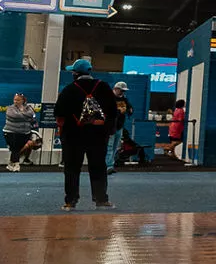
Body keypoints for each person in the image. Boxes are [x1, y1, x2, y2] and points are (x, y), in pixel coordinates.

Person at [54, 57, 120, 209]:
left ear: (76, 74)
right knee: (98, 166)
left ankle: (70, 201)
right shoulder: (103, 87)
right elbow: (113, 112)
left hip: (73, 135)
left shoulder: (69, 89)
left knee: (72, 168)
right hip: (98, 135)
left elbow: (59, 112)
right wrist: (108, 130)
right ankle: (101, 199)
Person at [112, 82, 147, 167]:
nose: (123, 93)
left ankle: (110, 164)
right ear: (116, 89)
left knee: (115, 146)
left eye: (124, 91)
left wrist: (129, 110)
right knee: (109, 146)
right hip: (111, 126)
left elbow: (129, 108)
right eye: (121, 91)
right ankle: (107, 165)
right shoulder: (110, 98)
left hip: (120, 125)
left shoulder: (124, 99)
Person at [1, 93, 37, 171]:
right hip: (10, 132)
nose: (16, 101)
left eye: (18, 100)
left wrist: (22, 114)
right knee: (15, 148)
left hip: (25, 132)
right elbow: (14, 116)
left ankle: (11, 163)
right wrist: (25, 116)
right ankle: (17, 165)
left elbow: (32, 115)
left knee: (18, 148)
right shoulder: (10, 108)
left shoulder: (29, 108)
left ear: (23, 100)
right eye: (15, 100)